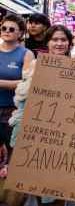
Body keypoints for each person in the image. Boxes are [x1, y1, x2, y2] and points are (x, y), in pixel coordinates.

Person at [6, 25, 75, 205]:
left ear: (69, 43)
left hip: (64, 136)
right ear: (48, 43)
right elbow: (21, 97)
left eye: (63, 40)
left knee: (58, 184)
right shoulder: (36, 64)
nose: (59, 44)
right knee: (32, 182)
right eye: (55, 40)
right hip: (36, 132)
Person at [0, 15, 34, 159]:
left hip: (12, 112)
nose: (7, 31)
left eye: (12, 29)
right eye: (4, 28)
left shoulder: (26, 54)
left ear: (20, 33)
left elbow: (26, 84)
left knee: (13, 150)